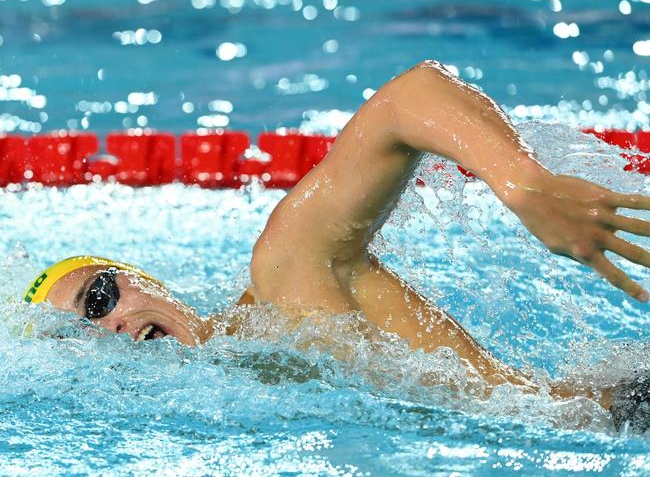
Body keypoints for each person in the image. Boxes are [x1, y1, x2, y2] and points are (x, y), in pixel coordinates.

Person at [22, 61, 650, 428]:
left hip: (619, 413)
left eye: (98, 297)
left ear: (143, 281)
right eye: (77, 334)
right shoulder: (220, 412)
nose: (106, 328)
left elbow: (409, 97)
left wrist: (522, 182)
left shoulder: (286, 282)